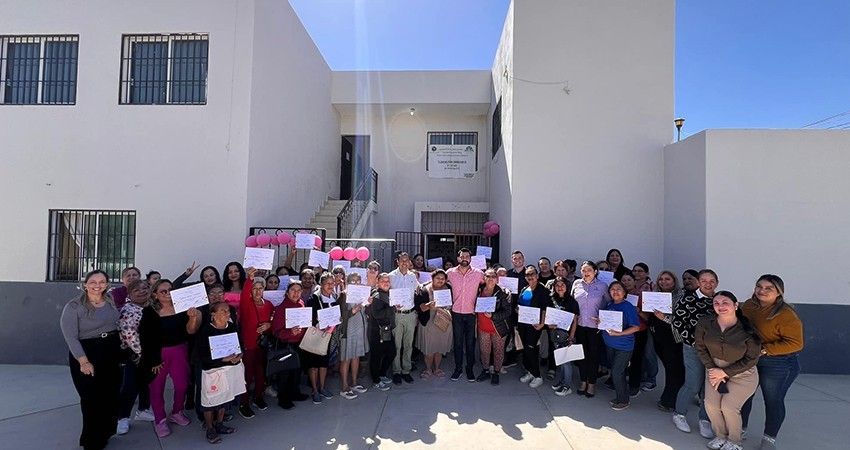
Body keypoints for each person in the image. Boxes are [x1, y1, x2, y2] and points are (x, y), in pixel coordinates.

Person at [60, 269, 122, 450]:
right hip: (87, 353)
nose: (97, 285)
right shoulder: (74, 306)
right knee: (91, 399)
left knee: (110, 395)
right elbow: (71, 337)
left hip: (110, 351)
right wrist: (84, 362)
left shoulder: (109, 301)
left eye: (102, 281)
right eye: (93, 282)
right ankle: (91, 440)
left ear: (107, 284)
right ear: (85, 284)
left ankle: (106, 432)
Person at [740, 275, 804, 450]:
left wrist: (763, 350)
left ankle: (769, 439)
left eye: (769, 288)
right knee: (745, 396)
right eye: (759, 286)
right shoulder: (748, 306)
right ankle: (741, 429)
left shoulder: (786, 314)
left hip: (779, 363)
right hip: (753, 359)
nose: (762, 290)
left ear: (779, 292)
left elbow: (796, 343)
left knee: (773, 400)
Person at [695, 291, 762, 450]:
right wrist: (712, 369)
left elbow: (752, 358)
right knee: (710, 405)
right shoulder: (705, 323)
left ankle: (734, 441)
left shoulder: (747, 328)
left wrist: (724, 373)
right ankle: (720, 436)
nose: (720, 306)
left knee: (729, 407)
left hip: (742, 374)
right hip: (714, 369)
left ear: (735, 305)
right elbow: (700, 347)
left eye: (725, 302)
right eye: (716, 303)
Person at [138, 279, 192, 438]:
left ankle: (177, 411)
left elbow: (189, 330)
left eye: (170, 290)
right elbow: (145, 338)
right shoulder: (149, 312)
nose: (168, 293)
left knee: (182, 385)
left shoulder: (182, 308)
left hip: (180, 352)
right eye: (163, 291)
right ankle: (160, 420)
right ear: (155, 294)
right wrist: (152, 360)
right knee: (156, 388)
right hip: (158, 355)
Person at [672, 269, 719, 438]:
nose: (708, 284)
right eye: (704, 280)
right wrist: (693, 341)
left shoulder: (720, 300)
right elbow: (677, 322)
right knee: (693, 383)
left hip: (715, 352)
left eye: (712, 281)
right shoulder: (687, 299)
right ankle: (679, 413)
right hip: (693, 348)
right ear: (698, 282)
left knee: (709, 386)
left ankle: (704, 419)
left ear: (717, 283)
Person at [186, 283, 239, 422]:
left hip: (225, 356)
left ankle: (220, 414)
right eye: (212, 294)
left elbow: (233, 331)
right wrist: (192, 317)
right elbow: (191, 330)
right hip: (204, 358)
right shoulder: (200, 310)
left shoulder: (230, 309)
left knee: (223, 387)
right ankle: (203, 418)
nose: (216, 296)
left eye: (220, 293)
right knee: (205, 389)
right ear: (206, 296)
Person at [195, 302, 239, 444]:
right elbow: (203, 355)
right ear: (213, 315)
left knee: (224, 397)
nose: (227, 314)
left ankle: (220, 424)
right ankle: (210, 428)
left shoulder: (232, 327)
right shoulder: (206, 331)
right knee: (210, 400)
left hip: (228, 369)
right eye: (223, 311)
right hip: (211, 370)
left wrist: (239, 354)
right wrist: (222, 359)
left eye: (228, 311)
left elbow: (239, 344)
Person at [117, 280, 154, 434]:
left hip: (150, 354)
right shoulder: (128, 310)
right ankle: (122, 418)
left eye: (145, 288)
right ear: (129, 294)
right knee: (130, 386)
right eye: (136, 290)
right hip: (136, 354)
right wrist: (142, 354)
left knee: (145, 383)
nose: (142, 292)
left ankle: (143, 409)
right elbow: (129, 335)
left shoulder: (150, 307)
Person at [597, 281, 641, 410]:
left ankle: (623, 400)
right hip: (610, 344)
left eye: (619, 289)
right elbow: (607, 322)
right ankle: (620, 396)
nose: (615, 291)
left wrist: (619, 333)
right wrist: (601, 321)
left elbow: (636, 327)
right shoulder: (609, 304)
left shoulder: (628, 307)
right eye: (612, 289)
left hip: (624, 346)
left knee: (617, 372)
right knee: (616, 371)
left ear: (624, 292)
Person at [237, 268, 273, 418]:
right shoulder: (246, 304)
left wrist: (269, 325)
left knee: (260, 372)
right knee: (248, 374)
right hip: (249, 344)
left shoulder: (269, 304)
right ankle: (244, 403)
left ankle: (258, 396)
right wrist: (249, 278)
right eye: (255, 289)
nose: (258, 292)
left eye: (260, 288)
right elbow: (245, 293)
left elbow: (273, 319)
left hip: (262, 345)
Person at [571, 261, 611, 398]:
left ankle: (591, 383)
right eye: (583, 270)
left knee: (594, 357)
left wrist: (605, 318)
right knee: (581, 356)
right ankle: (583, 381)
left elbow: (610, 303)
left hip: (596, 328)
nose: (586, 272)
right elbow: (571, 303)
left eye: (589, 270)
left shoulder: (603, 286)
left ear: (595, 272)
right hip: (580, 326)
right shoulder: (576, 284)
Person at [446, 248, 486, 382]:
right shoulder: (450, 273)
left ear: (471, 258)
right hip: (456, 312)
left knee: (470, 343)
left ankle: (469, 369)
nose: (464, 258)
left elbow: (490, 284)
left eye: (467, 256)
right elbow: (437, 281)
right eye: (462, 256)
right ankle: (458, 369)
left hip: (471, 314)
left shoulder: (479, 274)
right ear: (458, 259)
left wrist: (506, 290)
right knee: (457, 343)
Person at [270, 281, 311, 410]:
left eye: (299, 290)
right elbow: (275, 331)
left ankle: (295, 393)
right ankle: (284, 399)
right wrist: (289, 332)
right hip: (286, 345)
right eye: (293, 290)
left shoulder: (301, 304)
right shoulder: (282, 308)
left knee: (296, 371)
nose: (296, 293)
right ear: (287, 293)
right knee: (285, 373)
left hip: (299, 344)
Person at [650, 270, 685, 412]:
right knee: (670, 368)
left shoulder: (680, 296)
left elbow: (681, 321)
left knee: (674, 370)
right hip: (659, 338)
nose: (663, 282)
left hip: (673, 339)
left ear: (674, 281)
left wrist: (663, 317)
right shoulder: (656, 295)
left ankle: (669, 401)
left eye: (667, 279)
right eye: (661, 279)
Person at [303, 273, 338, 404]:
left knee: (323, 363)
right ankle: (315, 390)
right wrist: (318, 324)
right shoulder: (314, 298)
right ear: (321, 284)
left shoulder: (333, 297)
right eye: (328, 283)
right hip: (316, 335)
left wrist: (337, 319)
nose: (330, 286)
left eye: (332, 283)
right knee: (313, 365)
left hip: (328, 335)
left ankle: (322, 387)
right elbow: (309, 318)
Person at [475, 269, 512, 385]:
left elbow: (507, 311)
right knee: (484, 351)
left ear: (497, 279)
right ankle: (485, 371)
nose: (490, 278)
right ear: (484, 278)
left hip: (498, 328)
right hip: (483, 327)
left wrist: (493, 315)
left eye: (493, 276)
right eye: (488, 276)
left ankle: (496, 373)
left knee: (498, 351)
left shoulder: (503, 293)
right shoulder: (479, 289)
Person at [414, 270, 454, 379]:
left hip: (444, 321)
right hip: (429, 321)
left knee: (439, 347)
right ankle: (428, 369)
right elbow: (420, 307)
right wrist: (428, 305)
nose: (440, 280)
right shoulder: (424, 290)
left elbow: (452, 302)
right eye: (438, 278)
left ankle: (437, 368)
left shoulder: (448, 288)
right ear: (432, 279)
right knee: (429, 348)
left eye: (442, 278)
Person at [517, 265, 552, 388]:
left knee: (531, 349)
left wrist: (542, 324)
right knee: (525, 349)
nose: (530, 277)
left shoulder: (542, 290)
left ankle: (538, 376)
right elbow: (520, 304)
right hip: (523, 324)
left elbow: (545, 309)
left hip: (534, 325)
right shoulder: (525, 289)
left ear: (537, 276)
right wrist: (518, 309)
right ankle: (530, 372)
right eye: (527, 275)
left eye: (532, 274)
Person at [388, 252, 419, 385]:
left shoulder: (412, 276)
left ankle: (406, 370)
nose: (405, 263)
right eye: (402, 260)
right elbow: (384, 292)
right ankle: (396, 371)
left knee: (408, 345)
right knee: (396, 345)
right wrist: (392, 302)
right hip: (397, 315)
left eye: (407, 261)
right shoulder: (391, 276)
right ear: (397, 262)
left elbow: (419, 289)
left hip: (410, 314)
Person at [338, 272, 369, 399]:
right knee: (347, 358)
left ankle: (354, 383)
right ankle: (345, 386)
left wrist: (368, 303)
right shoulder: (344, 295)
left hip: (360, 330)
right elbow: (341, 315)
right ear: (347, 282)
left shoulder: (363, 294)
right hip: (349, 331)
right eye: (352, 281)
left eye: (358, 281)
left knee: (356, 357)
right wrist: (352, 311)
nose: (355, 283)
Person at [547, 276, 579, 396]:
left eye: (562, 285)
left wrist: (571, 337)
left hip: (566, 335)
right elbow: (548, 316)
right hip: (555, 334)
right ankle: (562, 381)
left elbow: (575, 321)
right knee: (561, 360)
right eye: (557, 285)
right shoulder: (552, 299)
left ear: (567, 287)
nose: (560, 287)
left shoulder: (571, 301)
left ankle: (567, 386)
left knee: (567, 362)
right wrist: (550, 325)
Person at [367, 273, 396, 391]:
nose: (386, 283)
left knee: (391, 352)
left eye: (387, 281)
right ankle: (376, 380)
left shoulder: (389, 293)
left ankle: (382, 373)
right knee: (376, 356)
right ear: (377, 282)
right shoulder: (377, 295)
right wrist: (392, 307)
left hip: (386, 330)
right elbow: (377, 314)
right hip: (377, 331)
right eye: (383, 281)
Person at [504, 250, 529, 368]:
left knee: (524, 334)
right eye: (515, 258)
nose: (517, 260)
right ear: (511, 260)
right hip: (510, 309)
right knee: (511, 334)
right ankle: (511, 358)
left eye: (519, 258)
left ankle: (526, 360)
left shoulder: (529, 274)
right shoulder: (508, 274)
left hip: (525, 310)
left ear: (523, 259)